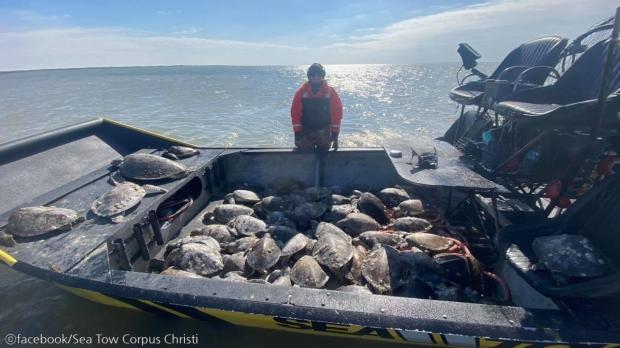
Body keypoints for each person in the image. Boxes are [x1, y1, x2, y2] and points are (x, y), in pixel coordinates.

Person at [291, 63, 343, 151]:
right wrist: (297, 134)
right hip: (306, 129)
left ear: (323, 76)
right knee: (305, 151)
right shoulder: (301, 92)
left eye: (319, 74)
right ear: (309, 76)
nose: (316, 77)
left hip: (324, 129)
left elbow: (337, 113)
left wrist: (335, 135)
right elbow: (295, 113)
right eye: (312, 74)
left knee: (324, 150)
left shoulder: (330, 92)